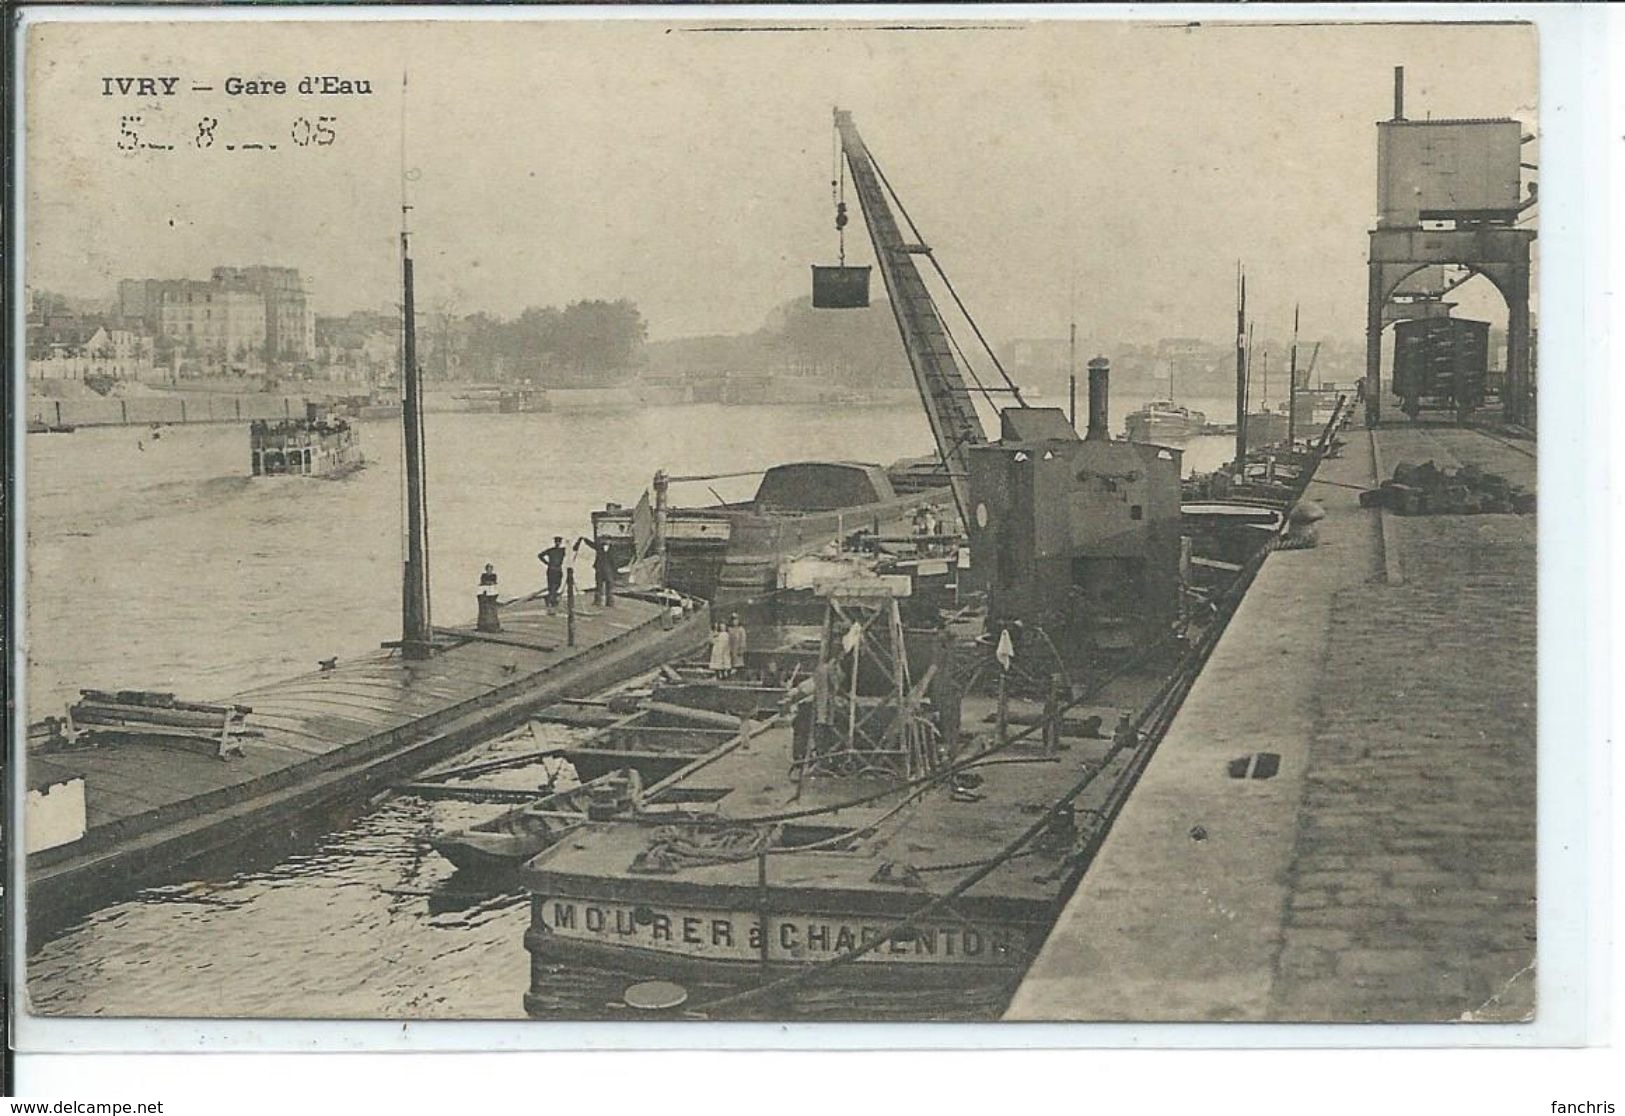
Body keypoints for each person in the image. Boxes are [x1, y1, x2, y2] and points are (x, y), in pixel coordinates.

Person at [575, 535, 617, 608]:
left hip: (609, 570)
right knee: (599, 586)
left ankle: (610, 603)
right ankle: (597, 602)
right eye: (605, 540)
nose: (606, 541)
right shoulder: (599, 547)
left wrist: (615, 570)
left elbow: (615, 560)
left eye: (608, 540)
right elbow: (591, 544)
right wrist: (585, 539)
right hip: (599, 569)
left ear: (610, 541)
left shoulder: (614, 549)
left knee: (609, 587)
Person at [537, 537, 567, 612]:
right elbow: (540, 555)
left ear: (560, 543)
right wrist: (547, 563)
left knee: (557, 586)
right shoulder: (551, 550)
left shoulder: (562, 550)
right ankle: (552, 601)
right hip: (551, 570)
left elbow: (572, 549)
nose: (557, 543)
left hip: (558, 570)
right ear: (555, 542)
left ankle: (550, 598)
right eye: (556, 542)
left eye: (559, 542)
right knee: (552, 586)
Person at [476, 563, 501, 633]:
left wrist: (488, 583)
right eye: (488, 569)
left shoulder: (493, 575)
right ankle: (485, 625)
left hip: (491, 592)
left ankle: (490, 625)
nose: (489, 570)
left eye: (490, 569)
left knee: (491, 608)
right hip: (485, 592)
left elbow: (493, 582)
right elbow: (483, 582)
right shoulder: (483, 575)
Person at [727, 614, 748, 678]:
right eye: (733, 620)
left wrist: (741, 649)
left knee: (738, 662)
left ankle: (739, 674)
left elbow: (743, 640)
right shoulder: (730, 629)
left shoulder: (741, 629)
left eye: (736, 620)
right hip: (731, 648)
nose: (734, 622)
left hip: (738, 648)